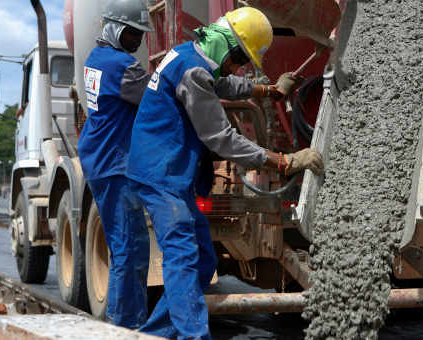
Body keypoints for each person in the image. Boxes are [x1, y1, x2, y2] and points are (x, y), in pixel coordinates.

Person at [126, 6, 323, 339]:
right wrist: (282, 161)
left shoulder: (189, 54)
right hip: (162, 176)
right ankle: (193, 336)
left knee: (203, 261)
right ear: (227, 47)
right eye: (240, 60)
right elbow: (221, 137)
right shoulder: (193, 72)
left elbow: (220, 82)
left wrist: (265, 90)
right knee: (184, 259)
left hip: (171, 173)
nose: (239, 67)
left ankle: (154, 334)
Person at [76, 0, 153, 329]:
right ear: (116, 29)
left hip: (100, 158)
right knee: (129, 248)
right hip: (114, 164)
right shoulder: (122, 67)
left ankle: (129, 321)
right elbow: (159, 97)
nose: (139, 41)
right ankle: (124, 326)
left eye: (141, 35)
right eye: (133, 33)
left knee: (129, 246)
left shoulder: (97, 58)